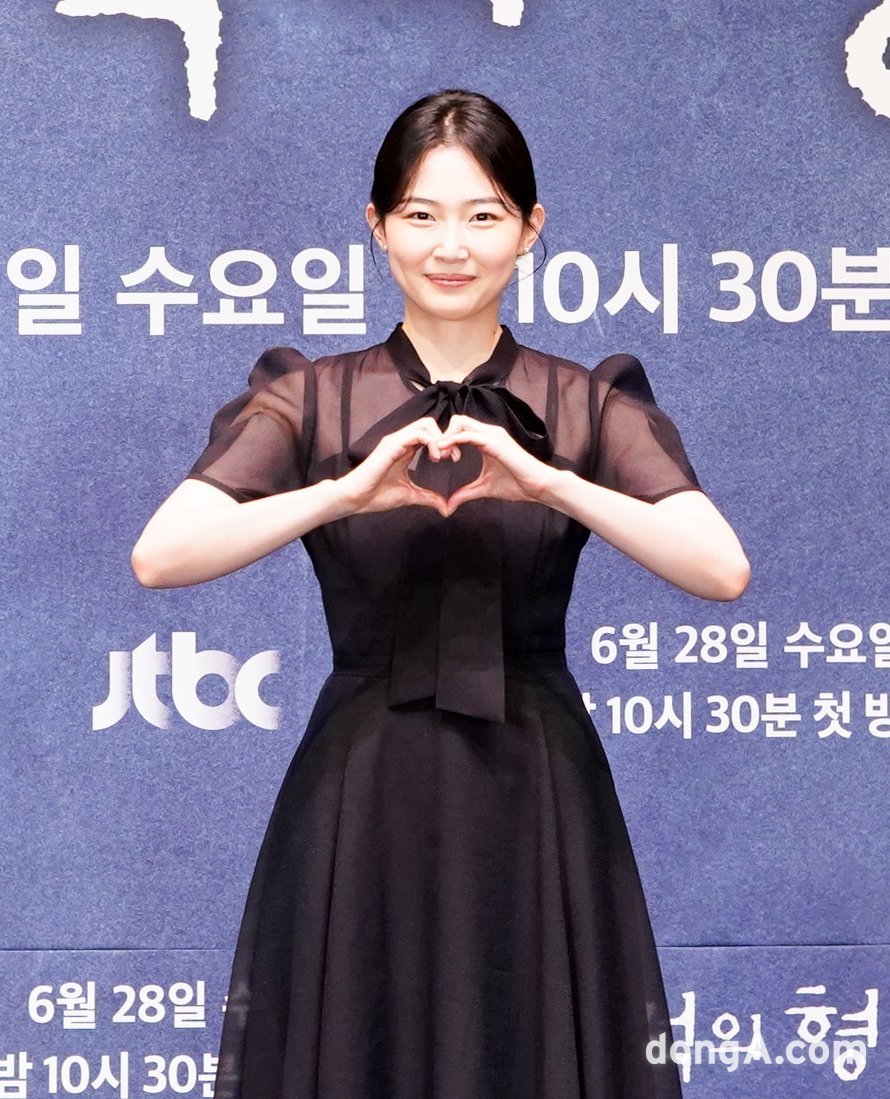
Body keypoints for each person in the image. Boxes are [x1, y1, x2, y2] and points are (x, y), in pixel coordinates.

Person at [132, 89, 749, 1099]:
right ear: (377, 227)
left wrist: (550, 483)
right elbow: (162, 554)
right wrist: (342, 492)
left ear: (530, 228)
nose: (450, 246)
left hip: (536, 788)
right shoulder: (310, 396)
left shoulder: (582, 400)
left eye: (482, 215)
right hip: (362, 790)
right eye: (420, 214)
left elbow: (720, 568)